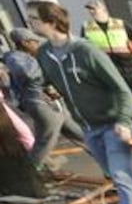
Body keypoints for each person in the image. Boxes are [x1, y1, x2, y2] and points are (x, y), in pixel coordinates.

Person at [29, 0, 132, 204]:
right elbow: (49, 81)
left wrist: (124, 121)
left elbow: (122, 89)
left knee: (122, 176)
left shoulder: (86, 51)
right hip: (89, 126)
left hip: (114, 123)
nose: (30, 24)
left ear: (50, 22)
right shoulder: (44, 53)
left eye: (34, 19)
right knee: (119, 175)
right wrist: (48, 90)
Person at [5, 26, 81, 171]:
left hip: (54, 103)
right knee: (45, 142)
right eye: (34, 42)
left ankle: (107, 163)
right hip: (40, 103)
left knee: (81, 135)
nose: (37, 45)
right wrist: (44, 64)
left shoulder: (32, 56)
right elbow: (28, 74)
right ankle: (32, 171)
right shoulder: (15, 58)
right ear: (25, 43)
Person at [81, 0, 132, 109]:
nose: (92, 11)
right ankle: (131, 124)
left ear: (103, 9)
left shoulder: (120, 24)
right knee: (123, 102)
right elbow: (84, 50)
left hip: (130, 67)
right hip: (109, 70)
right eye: (90, 9)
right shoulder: (87, 27)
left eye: (94, 8)